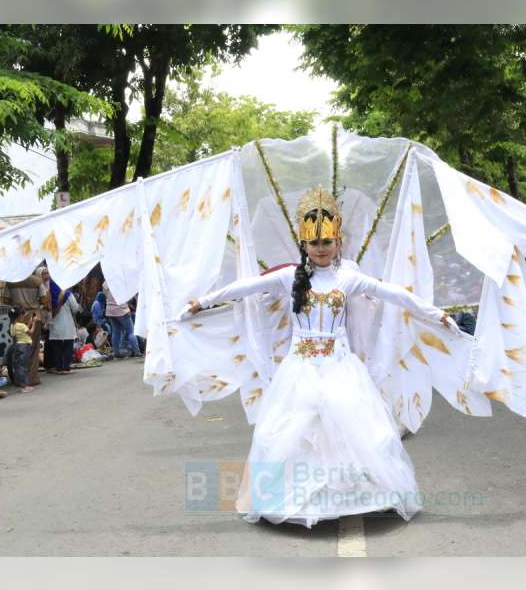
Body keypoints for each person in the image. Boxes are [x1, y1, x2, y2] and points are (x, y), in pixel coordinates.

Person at [184, 187, 457, 528]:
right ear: (304, 246)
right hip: (300, 368)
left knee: (360, 430)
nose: (321, 249)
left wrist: (436, 315)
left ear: (338, 243)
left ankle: (356, 495)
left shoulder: (349, 278)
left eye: (327, 242)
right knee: (292, 432)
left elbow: (396, 295)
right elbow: (245, 287)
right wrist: (203, 302)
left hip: (340, 365)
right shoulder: (288, 278)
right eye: (315, 244)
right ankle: (296, 498)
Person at [48, 281, 82, 375]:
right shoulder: (67, 294)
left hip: (54, 324)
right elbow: (75, 308)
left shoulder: (49, 293)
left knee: (56, 347)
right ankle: (66, 368)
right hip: (66, 325)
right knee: (68, 346)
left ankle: (59, 368)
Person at [103, 281, 142, 359]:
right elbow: (128, 296)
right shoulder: (120, 281)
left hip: (110, 310)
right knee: (131, 331)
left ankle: (116, 353)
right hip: (122, 309)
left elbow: (105, 295)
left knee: (115, 332)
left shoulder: (105, 283)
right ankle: (137, 352)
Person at [8, 307, 37, 391]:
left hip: (18, 345)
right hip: (24, 347)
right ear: (18, 316)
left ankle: (19, 384)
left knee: (18, 365)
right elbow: (31, 332)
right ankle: (24, 386)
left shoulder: (12, 325)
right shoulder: (21, 325)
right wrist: (34, 322)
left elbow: (19, 333)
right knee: (24, 366)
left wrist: (30, 322)